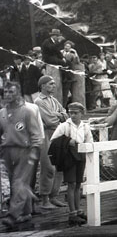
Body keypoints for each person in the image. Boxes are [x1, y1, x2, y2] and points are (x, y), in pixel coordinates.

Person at [0, 82, 43, 229]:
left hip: (24, 150)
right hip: (7, 151)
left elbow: (35, 134)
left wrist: (35, 150)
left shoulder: (27, 111)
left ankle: (12, 216)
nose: (8, 95)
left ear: (17, 93)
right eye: (6, 92)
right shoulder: (2, 113)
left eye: (11, 92)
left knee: (19, 182)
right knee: (15, 183)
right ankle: (26, 212)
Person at [50, 102, 90, 225]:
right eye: (70, 113)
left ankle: (78, 210)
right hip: (69, 157)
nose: (72, 115)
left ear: (82, 113)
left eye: (75, 113)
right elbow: (53, 141)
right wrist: (67, 141)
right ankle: (72, 213)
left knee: (78, 184)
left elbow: (89, 142)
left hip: (81, 156)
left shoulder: (85, 127)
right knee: (71, 184)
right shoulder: (64, 126)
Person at [33, 75, 69, 209]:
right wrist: (59, 116)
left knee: (59, 166)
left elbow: (65, 114)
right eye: (50, 84)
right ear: (42, 86)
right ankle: (44, 198)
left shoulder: (53, 100)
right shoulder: (39, 101)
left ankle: (54, 196)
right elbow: (49, 120)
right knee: (48, 167)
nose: (53, 86)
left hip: (57, 134)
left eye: (54, 84)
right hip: (46, 135)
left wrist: (60, 116)